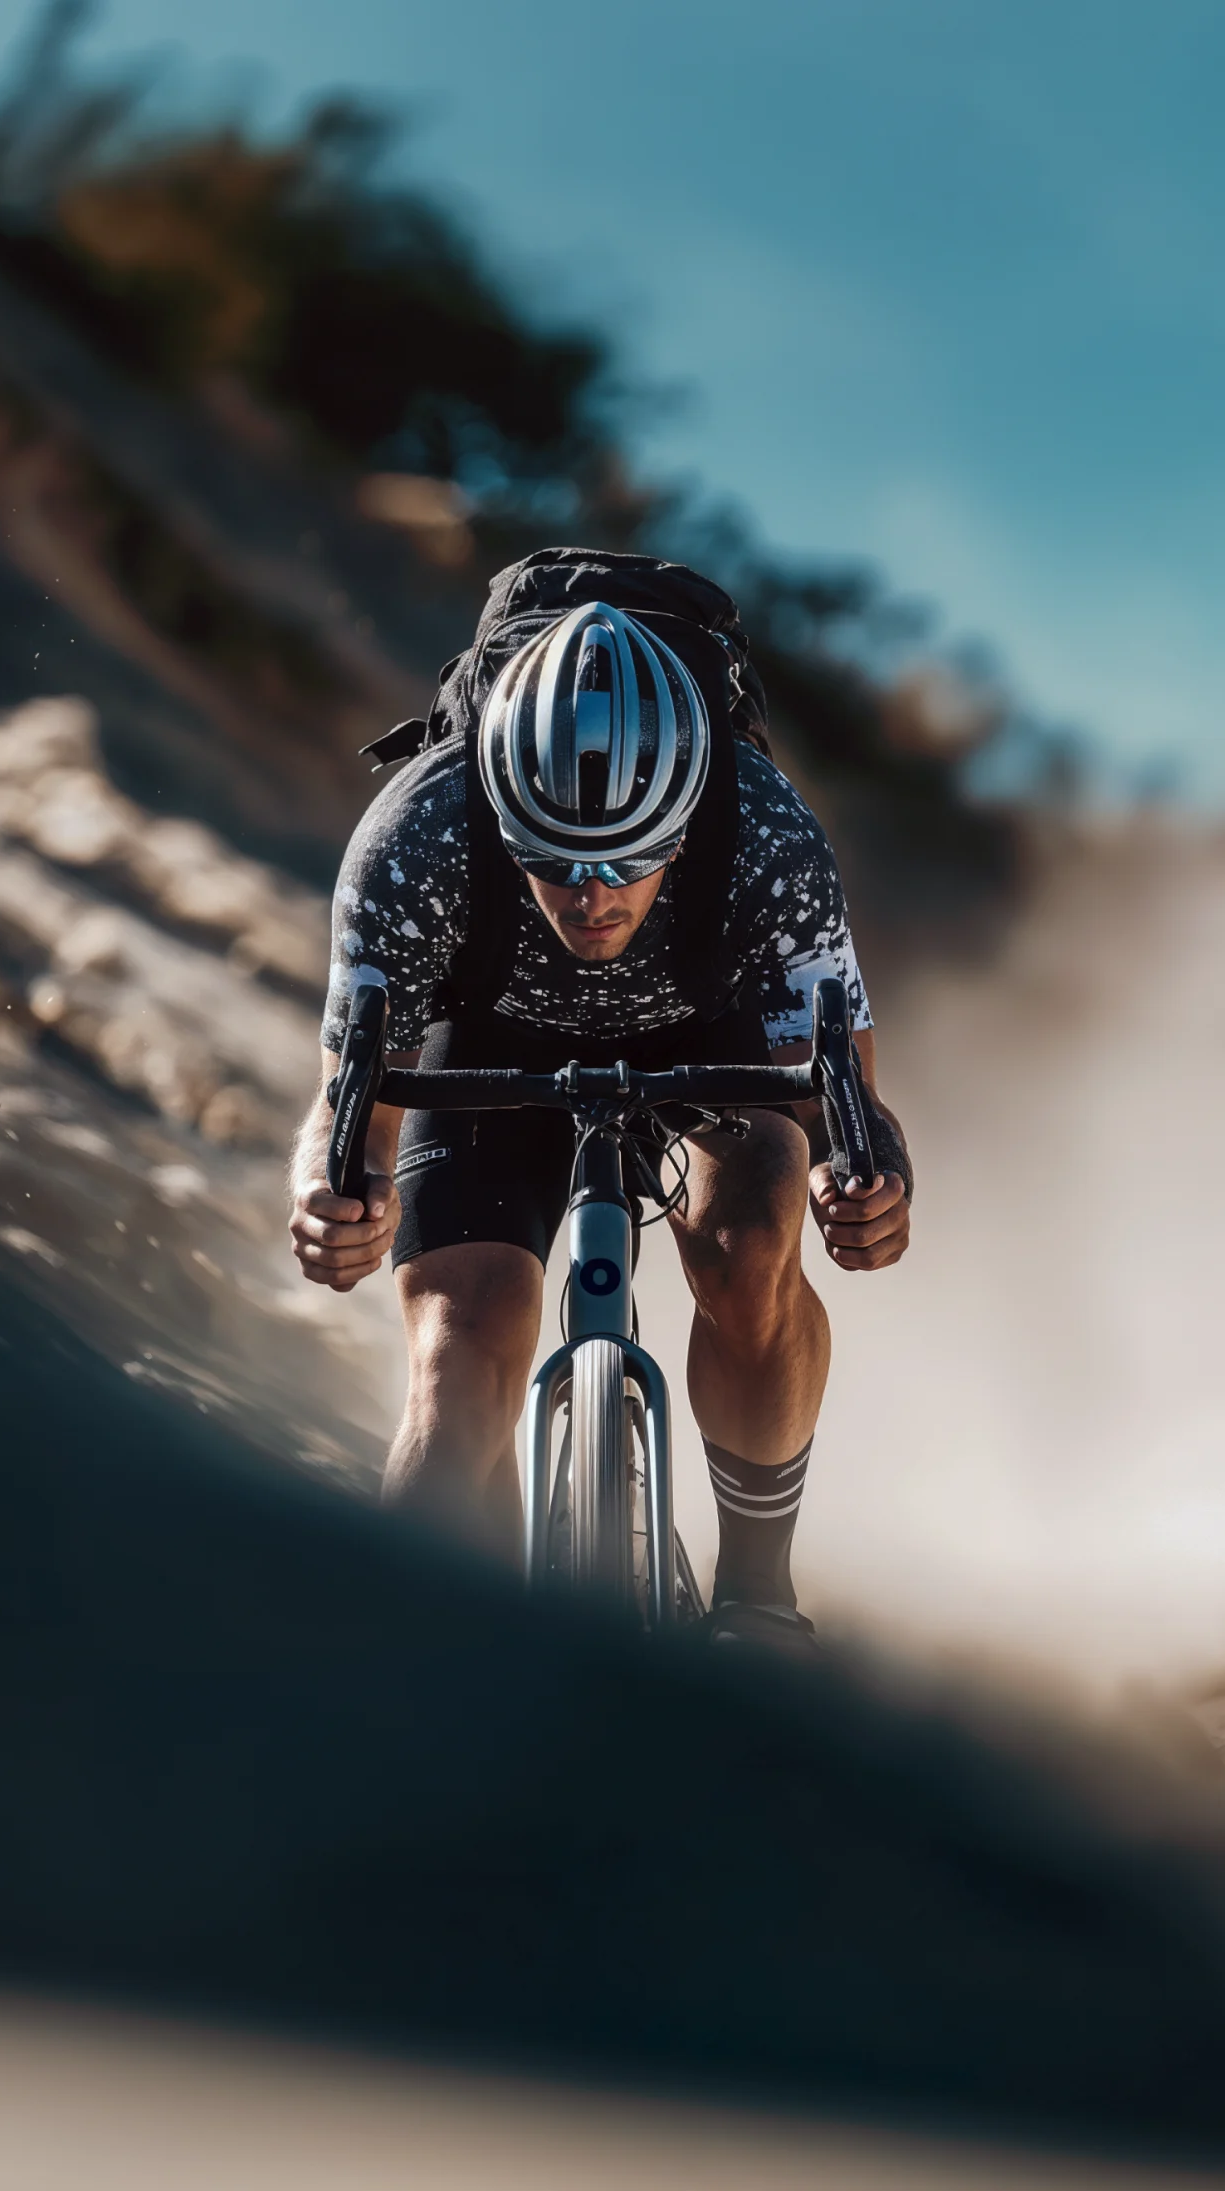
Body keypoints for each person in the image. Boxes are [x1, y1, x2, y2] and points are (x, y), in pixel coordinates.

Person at [287, 549, 912, 1648]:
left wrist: (870, 1185)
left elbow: (844, 1091)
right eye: (553, 862)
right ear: (498, 812)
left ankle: (758, 1589)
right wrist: (330, 1197)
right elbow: (348, 1103)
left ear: (684, 821)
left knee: (749, 1242)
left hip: (704, 1024)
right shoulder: (411, 839)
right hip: (489, 1037)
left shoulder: (769, 836)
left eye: (629, 864)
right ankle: (406, 1668)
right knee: (457, 1358)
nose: (592, 897)